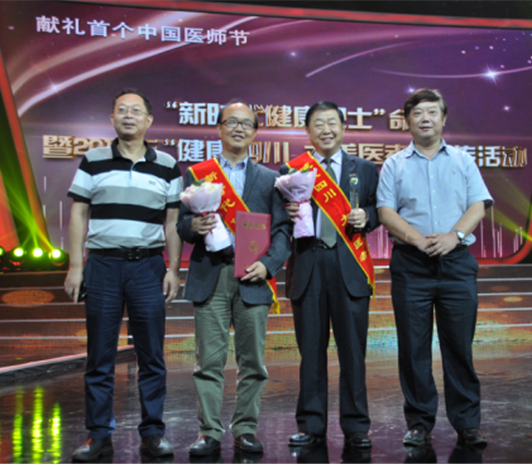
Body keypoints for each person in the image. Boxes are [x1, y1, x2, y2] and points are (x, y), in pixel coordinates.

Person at [64, 89, 182, 461]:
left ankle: (153, 432)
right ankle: (98, 434)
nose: (129, 116)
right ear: (112, 118)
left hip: (148, 267)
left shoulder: (167, 164)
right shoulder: (93, 160)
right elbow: (79, 214)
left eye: (136, 111)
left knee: (152, 355)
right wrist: (76, 266)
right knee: (99, 355)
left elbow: (173, 221)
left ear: (149, 120)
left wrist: (173, 269)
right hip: (102, 266)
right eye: (122, 110)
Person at [377, 88, 493, 448]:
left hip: (456, 263)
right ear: (407, 122)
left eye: (432, 112)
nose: (425, 118)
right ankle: (419, 422)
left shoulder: (463, 160)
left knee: (459, 347)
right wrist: (416, 239)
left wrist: (454, 236)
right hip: (411, 264)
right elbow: (385, 211)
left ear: (443, 119)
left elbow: (478, 205)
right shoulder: (394, 164)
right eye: (417, 113)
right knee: (413, 348)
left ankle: (467, 423)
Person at [177, 100, 291, 457]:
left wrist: (269, 266)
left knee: (252, 361)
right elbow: (181, 225)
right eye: (231, 122)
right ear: (219, 128)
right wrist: (193, 226)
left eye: (246, 123)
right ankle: (209, 431)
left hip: (253, 277)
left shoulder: (271, 179)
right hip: (211, 274)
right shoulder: (198, 174)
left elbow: (283, 230)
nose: (238, 128)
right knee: (208, 362)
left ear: (255, 132)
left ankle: (245, 429)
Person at [281, 101, 379, 449]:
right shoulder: (292, 170)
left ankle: (356, 426)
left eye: (332, 122)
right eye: (318, 124)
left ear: (343, 127)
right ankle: (311, 424)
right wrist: (287, 213)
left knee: (353, 351)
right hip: (307, 264)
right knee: (311, 351)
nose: (326, 129)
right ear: (308, 132)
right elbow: (279, 220)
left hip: (348, 265)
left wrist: (367, 217)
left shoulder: (364, 169)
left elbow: (378, 209)